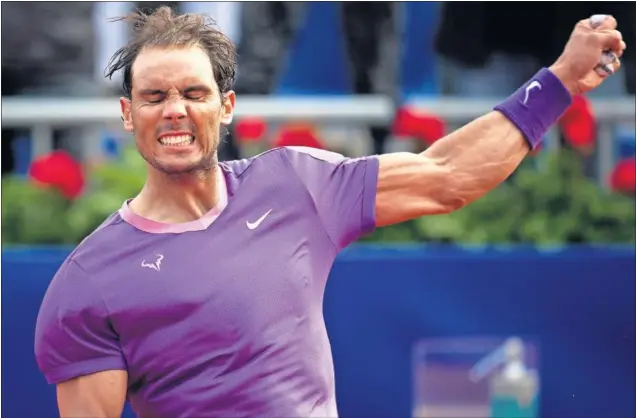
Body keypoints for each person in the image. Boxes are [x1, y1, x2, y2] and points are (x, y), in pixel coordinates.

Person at [34, 7, 625, 418]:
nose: (174, 112)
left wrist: (562, 80)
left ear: (228, 106)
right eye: (154, 96)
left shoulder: (295, 184)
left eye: (194, 93)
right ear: (126, 112)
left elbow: (447, 176)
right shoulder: (90, 282)